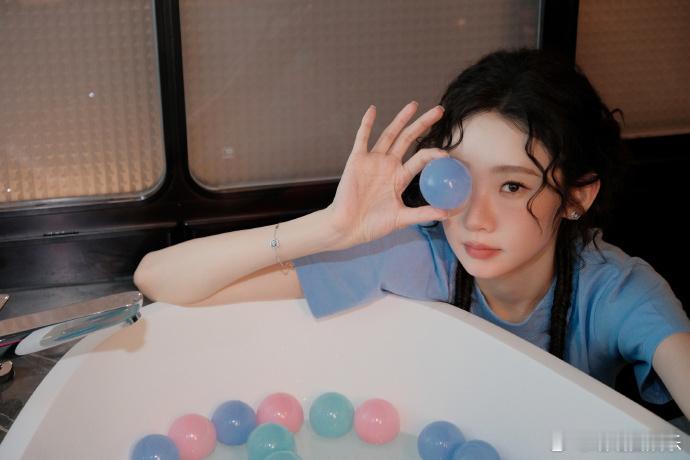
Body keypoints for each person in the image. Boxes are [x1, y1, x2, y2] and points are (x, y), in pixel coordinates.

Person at [134, 48, 690, 420]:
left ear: (575, 197)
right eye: (459, 178)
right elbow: (160, 279)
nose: (475, 217)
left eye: (513, 186)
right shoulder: (418, 255)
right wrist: (327, 228)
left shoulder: (619, 295)